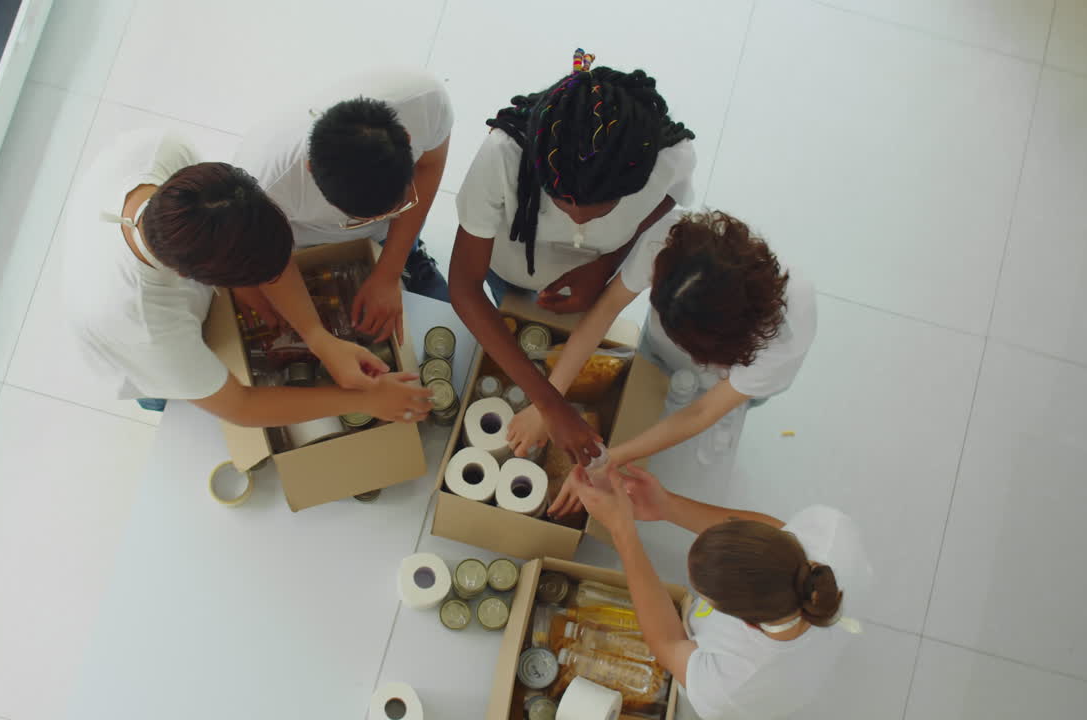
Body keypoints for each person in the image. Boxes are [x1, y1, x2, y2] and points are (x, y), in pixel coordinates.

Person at [62, 128, 431, 426]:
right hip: (140, 357)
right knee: (192, 416)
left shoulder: (164, 154)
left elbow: (249, 238)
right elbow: (239, 407)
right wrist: (365, 399)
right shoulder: (145, 326)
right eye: (257, 277)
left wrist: (319, 338)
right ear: (203, 280)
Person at [450, 49, 697, 466]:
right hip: (510, 269)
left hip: (596, 284)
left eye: (603, 204)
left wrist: (602, 265)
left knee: (566, 348)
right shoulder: (503, 156)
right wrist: (549, 403)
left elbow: (664, 202)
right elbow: (464, 286)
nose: (578, 217)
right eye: (561, 199)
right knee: (510, 322)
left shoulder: (670, 158)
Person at [507, 210, 816, 516]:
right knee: (650, 392)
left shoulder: (784, 337)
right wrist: (547, 401)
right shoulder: (670, 245)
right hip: (659, 354)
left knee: (709, 428)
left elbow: (702, 411)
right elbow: (607, 307)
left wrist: (608, 460)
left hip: (726, 386)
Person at [569, 465, 870, 720]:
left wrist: (623, 533)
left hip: (788, 687)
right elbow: (776, 534)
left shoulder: (731, 683)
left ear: (746, 622)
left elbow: (668, 643)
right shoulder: (831, 533)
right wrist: (666, 505)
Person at [234, 68, 454, 344]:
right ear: (311, 170)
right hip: (298, 243)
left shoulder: (426, 102)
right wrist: (316, 335)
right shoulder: (264, 186)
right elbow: (270, 261)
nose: (380, 220)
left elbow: (430, 165)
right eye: (361, 218)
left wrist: (389, 273)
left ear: (407, 141)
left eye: (394, 207)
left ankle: (410, 256)